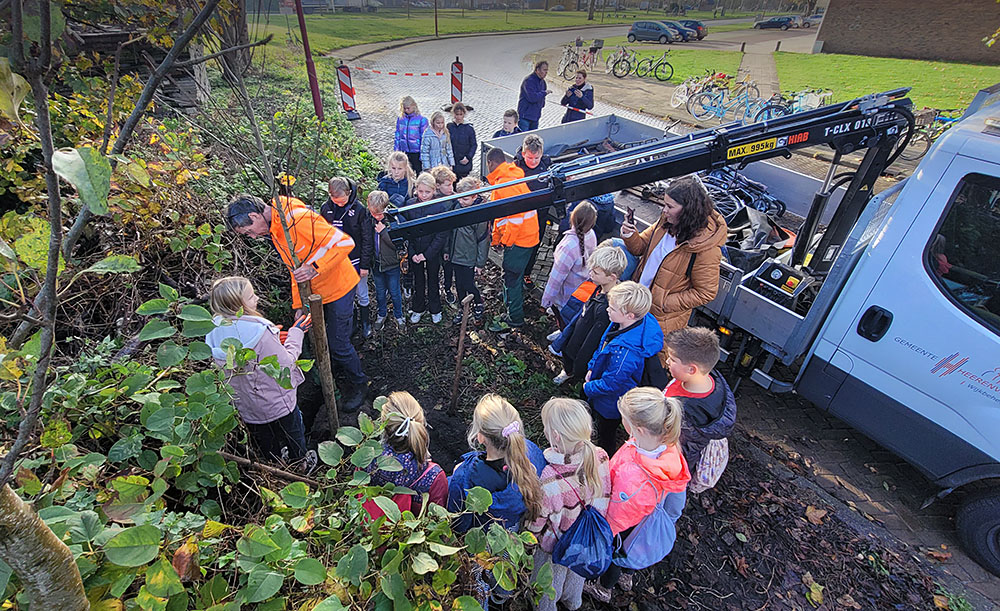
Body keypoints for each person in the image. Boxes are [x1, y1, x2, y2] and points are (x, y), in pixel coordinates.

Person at [224, 193, 367, 412]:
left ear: (254, 215)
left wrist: (315, 268)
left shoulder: (297, 220)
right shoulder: (276, 232)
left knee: (338, 343)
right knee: (324, 339)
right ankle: (336, 371)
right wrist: (298, 305)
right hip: (315, 292)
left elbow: (345, 243)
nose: (252, 237)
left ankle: (359, 384)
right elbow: (295, 270)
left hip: (339, 286)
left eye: (249, 232)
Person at [584, 387, 689, 603]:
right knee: (633, 549)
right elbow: (676, 502)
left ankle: (604, 588)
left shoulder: (634, 476)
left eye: (624, 419)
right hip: (645, 523)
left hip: (622, 526)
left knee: (616, 556)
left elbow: (615, 516)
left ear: (639, 429)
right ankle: (628, 576)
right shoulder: (670, 449)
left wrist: (603, 532)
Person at [206, 277, 316, 466]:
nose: (256, 298)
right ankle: (301, 463)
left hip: (247, 406)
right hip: (277, 401)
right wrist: (296, 333)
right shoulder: (260, 332)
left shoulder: (213, 332)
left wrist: (273, 340)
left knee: (266, 438)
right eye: (251, 296)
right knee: (293, 431)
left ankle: (275, 466)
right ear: (238, 305)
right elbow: (287, 365)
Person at [621, 177, 727, 365]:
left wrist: (664, 302)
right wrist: (630, 236)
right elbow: (641, 247)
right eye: (664, 205)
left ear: (688, 210)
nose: (664, 210)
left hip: (662, 317)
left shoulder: (707, 250)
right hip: (639, 304)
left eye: (670, 207)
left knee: (650, 363)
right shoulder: (665, 223)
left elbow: (707, 292)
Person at [527, 398, 611, 611]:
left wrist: (529, 537)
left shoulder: (549, 477)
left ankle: (545, 606)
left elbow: (539, 519)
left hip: (556, 543)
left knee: (547, 580)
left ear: (555, 435)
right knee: (576, 571)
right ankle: (573, 602)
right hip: (586, 537)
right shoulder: (600, 455)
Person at [583, 281, 664, 456]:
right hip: (603, 390)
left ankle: (606, 457)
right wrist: (592, 366)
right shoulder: (622, 324)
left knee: (606, 433)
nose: (607, 310)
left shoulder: (626, 353)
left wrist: (588, 388)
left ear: (629, 315)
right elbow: (603, 345)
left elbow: (612, 383)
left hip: (610, 402)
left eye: (612, 308)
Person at [447, 393, 546, 533]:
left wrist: (457, 475)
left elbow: (458, 524)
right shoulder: (532, 452)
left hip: (482, 544)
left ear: (480, 437)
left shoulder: (465, 479)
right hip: (514, 534)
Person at [663, 327, 737, 490]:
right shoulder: (712, 377)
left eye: (673, 359)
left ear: (692, 369)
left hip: (671, 467)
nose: (668, 362)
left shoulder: (686, 412)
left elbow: (678, 445)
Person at [552, 244, 627, 386]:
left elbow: (592, 341)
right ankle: (567, 371)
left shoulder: (608, 308)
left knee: (574, 360)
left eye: (596, 272)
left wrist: (580, 362)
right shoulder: (599, 288)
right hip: (577, 332)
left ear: (612, 277)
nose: (590, 273)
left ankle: (573, 376)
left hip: (581, 345)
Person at [366, 391, 448, 512]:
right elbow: (438, 518)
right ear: (421, 423)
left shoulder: (367, 458)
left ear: (383, 428)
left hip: (370, 525)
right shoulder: (434, 477)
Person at [486, 147, 538, 330]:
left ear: (491, 163)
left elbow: (513, 219)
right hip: (528, 235)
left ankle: (515, 316)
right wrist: (496, 238)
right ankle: (511, 296)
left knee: (512, 276)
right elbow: (503, 216)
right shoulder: (512, 177)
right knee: (513, 275)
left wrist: (504, 242)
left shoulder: (504, 185)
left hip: (519, 240)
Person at [321, 177, 373, 339]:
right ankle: (351, 323)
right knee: (342, 295)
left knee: (361, 292)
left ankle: (366, 322)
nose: (339, 204)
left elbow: (367, 238)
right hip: (335, 262)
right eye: (335, 200)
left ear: (349, 193)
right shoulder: (326, 209)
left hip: (355, 259)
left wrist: (365, 265)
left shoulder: (359, 210)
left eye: (342, 201)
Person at [401, 172, 448, 324]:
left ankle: (435, 308)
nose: (424, 195)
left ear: (434, 190)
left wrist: (427, 254)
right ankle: (418, 308)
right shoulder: (410, 205)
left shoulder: (440, 207)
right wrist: (413, 252)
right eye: (420, 191)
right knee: (418, 280)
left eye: (427, 192)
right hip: (415, 250)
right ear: (416, 189)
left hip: (432, 251)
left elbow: (441, 234)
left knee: (433, 279)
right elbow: (407, 230)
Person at [447, 176, 489, 324]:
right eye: (460, 198)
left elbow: (483, 239)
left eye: (465, 199)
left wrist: (480, 263)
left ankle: (477, 301)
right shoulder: (457, 207)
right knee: (458, 284)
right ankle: (462, 306)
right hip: (455, 254)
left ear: (474, 196)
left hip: (468, 256)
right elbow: (450, 232)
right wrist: (447, 250)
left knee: (468, 283)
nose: (461, 201)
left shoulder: (479, 214)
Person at [541, 201, 597, 311]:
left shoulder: (568, 247)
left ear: (572, 217)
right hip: (581, 293)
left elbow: (556, 279)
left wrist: (546, 302)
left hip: (565, 299)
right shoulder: (592, 235)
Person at [516, 134, 554, 287]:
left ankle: (527, 273)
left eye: (536, 158)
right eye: (529, 158)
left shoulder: (547, 164)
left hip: (540, 215)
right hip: (522, 216)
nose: (532, 162)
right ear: (524, 153)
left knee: (535, 245)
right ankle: (515, 274)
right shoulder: (516, 167)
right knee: (519, 248)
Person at [365, 191, 405, 331]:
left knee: (394, 292)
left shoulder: (393, 221)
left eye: (379, 214)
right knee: (380, 292)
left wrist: (383, 232)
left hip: (392, 265)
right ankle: (381, 314)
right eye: (373, 213)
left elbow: (397, 245)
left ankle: (399, 316)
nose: (376, 217)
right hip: (376, 265)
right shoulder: (368, 220)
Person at [431, 165, 459, 305]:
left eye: (452, 184)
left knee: (448, 268)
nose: (451, 189)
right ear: (437, 186)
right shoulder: (433, 199)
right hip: (435, 242)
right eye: (448, 185)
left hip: (450, 240)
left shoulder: (454, 198)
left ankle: (448, 288)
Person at [395, 96, 428, 174]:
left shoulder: (422, 120)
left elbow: (424, 138)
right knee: (405, 172)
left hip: (417, 151)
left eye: (408, 108)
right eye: (405, 108)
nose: (406, 110)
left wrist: (423, 154)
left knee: (419, 171)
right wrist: (396, 150)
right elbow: (397, 135)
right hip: (404, 150)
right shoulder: (400, 119)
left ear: (414, 106)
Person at [516, 60, 552, 132]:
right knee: (523, 139)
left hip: (535, 117)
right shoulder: (528, 81)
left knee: (532, 140)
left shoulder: (543, 82)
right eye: (544, 70)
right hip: (525, 116)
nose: (546, 73)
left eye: (547, 70)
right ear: (537, 70)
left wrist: (541, 104)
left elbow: (542, 100)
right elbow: (532, 98)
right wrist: (544, 93)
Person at [448, 102, 477, 180]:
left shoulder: (469, 128)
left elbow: (473, 145)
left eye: (461, 114)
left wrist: (468, 157)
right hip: (452, 161)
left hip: (464, 161)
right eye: (457, 114)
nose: (459, 117)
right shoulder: (449, 126)